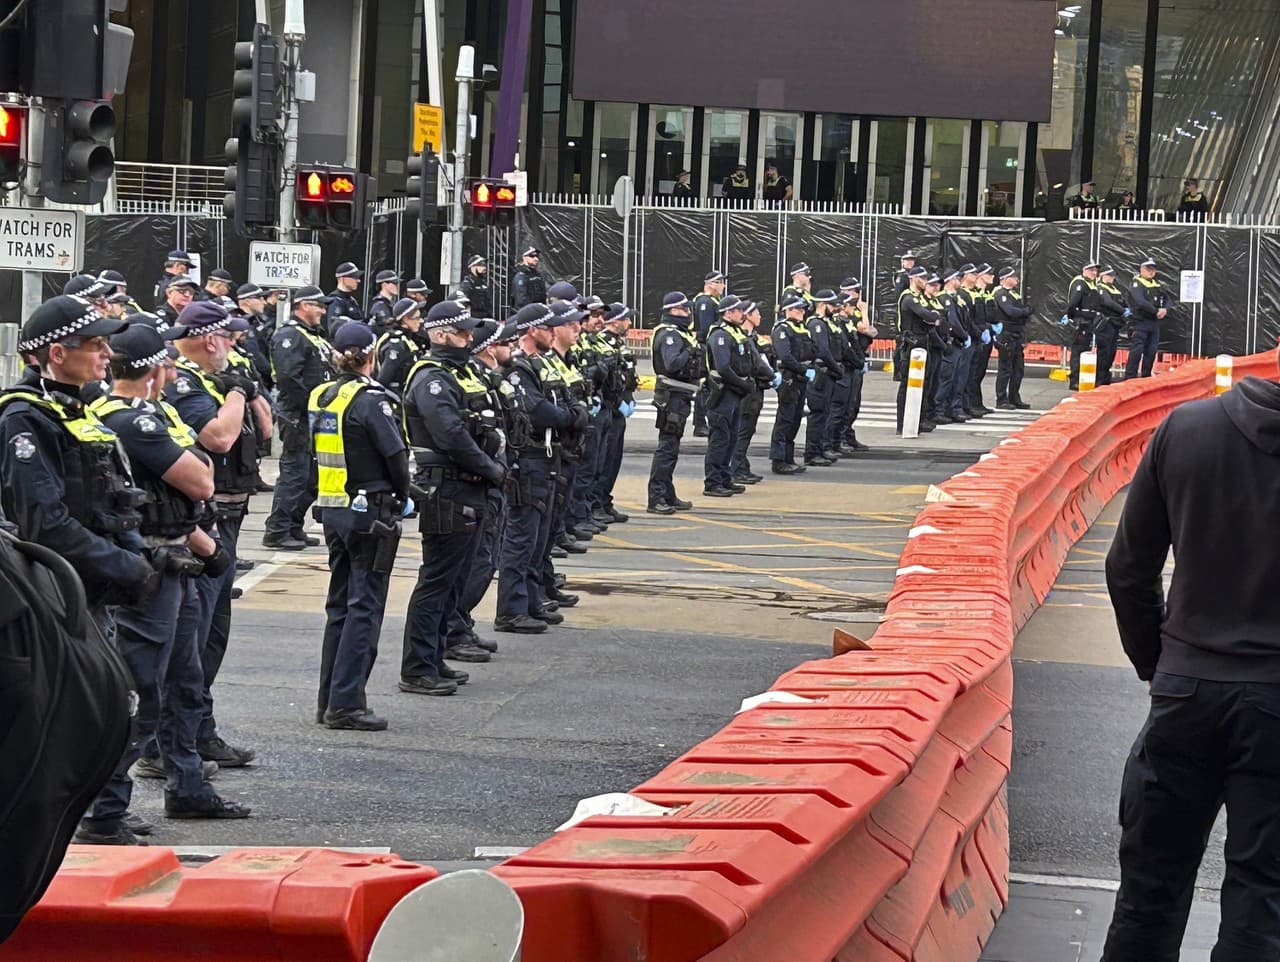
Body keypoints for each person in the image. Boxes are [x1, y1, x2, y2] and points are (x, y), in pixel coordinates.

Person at [1099, 354, 1280, 960]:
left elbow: (1128, 568)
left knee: (1149, 895)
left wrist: (1160, 661)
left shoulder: (1187, 428)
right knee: (1262, 904)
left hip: (1187, 689)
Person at [0, 297, 165, 846]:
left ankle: (95, 817)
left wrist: (139, 553)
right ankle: (59, 834)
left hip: (91, 593)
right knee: (75, 719)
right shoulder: (24, 419)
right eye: (95, 345)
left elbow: (109, 499)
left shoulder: (74, 410)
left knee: (110, 709)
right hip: (53, 598)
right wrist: (127, 564)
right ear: (55, 353)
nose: (106, 354)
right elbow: (44, 524)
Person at [86, 324, 249, 831]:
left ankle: (188, 786)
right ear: (155, 369)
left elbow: (189, 488)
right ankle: (103, 810)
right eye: (169, 364)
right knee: (140, 693)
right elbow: (202, 477)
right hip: (149, 570)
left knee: (186, 682)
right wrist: (198, 479)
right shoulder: (126, 419)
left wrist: (207, 546)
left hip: (179, 555)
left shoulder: (160, 413)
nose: (174, 371)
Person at [166, 301, 268, 771]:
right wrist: (236, 395)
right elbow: (219, 439)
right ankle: (172, 742)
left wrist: (245, 392)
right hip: (204, 523)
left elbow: (264, 432)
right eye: (228, 337)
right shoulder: (186, 381)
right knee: (193, 641)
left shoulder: (218, 380)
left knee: (213, 637)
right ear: (211, 339)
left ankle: (198, 731)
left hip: (230, 517)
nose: (233, 345)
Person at [399, 300, 508, 695]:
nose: (469, 338)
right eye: (461, 332)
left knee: (455, 578)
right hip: (447, 487)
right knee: (437, 579)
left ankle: (433, 657)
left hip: (469, 485)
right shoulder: (431, 378)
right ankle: (416, 667)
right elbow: (450, 435)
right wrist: (491, 468)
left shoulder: (459, 374)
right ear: (441, 335)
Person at [310, 323, 409, 730]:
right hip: (370, 513)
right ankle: (347, 703)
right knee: (364, 607)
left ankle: (328, 698)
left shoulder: (322, 395)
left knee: (339, 606)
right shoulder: (371, 400)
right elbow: (396, 456)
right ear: (372, 356)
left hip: (334, 509)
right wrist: (403, 496)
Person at [495, 303, 582, 631]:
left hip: (546, 458)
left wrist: (572, 413)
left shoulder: (539, 365)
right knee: (521, 539)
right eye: (547, 328)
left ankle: (530, 601)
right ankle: (511, 610)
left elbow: (565, 398)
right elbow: (539, 410)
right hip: (528, 458)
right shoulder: (519, 368)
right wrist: (571, 418)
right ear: (533, 330)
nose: (552, 333)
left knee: (538, 539)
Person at [445, 319, 523, 657]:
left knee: (486, 557)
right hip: (476, 480)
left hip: (496, 475)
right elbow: (458, 434)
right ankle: (452, 630)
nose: (514, 349)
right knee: (475, 562)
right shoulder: (460, 378)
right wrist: (490, 468)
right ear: (491, 347)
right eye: (508, 343)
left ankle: (461, 623)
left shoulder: (485, 377)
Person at [264, 286, 334, 549]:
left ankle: (293, 526)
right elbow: (289, 379)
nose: (323, 311)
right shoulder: (290, 335)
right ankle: (278, 529)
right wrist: (310, 407)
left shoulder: (312, 335)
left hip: (315, 416)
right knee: (296, 473)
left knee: (312, 476)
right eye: (319, 305)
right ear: (303, 305)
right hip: (299, 416)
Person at [647, 291, 703, 513]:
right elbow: (672, 364)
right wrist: (690, 350)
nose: (688, 313)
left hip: (680, 396)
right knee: (667, 447)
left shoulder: (679, 333)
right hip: (672, 397)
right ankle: (657, 496)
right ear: (672, 310)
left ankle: (667, 493)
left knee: (672, 447)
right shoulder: (670, 334)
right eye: (684, 309)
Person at [702, 295, 755, 496]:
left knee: (731, 437)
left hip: (733, 392)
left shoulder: (734, 333)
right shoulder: (720, 335)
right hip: (723, 392)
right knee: (720, 439)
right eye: (739, 310)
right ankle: (713, 482)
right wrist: (743, 384)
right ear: (728, 313)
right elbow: (723, 367)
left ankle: (725, 477)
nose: (742, 314)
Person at [590, 302, 637, 524]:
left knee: (613, 460)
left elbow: (625, 376)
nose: (629, 323)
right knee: (603, 461)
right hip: (610, 406)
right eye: (626, 319)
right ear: (615, 321)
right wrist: (615, 401)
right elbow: (605, 380)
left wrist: (628, 398)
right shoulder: (602, 343)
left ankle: (604, 501)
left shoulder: (618, 344)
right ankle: (596, 504)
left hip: (619, 407)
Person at [730, 301, 777, 485]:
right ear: (747, 316)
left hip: (757, 389)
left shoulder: (755, 338)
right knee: (742, 430)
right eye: (756, 312)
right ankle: (736, 468)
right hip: (746, 389)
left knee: (748, 429)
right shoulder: (741, 338)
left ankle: (741, 466)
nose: (760, 316)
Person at [770, 293, 817, 472]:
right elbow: (785, 356)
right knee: (785, 419)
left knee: (795, 419)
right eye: (798, 308)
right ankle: (778, 459)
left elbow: (810, 350)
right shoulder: (782, 329)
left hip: (800, 377)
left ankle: (788, 458)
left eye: (802, 308)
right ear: (788, 310)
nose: (802, 311)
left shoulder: (802, 328)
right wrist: (804, 369)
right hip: (789, 378)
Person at [894, 266, 941, 433]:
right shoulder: (908, 297)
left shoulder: (919, 297)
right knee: (908, 384)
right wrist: (932, 317)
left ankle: (918, 420)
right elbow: (927, 315)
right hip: (911, 343)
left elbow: (934, 316)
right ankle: (902, 423)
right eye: (923, 278)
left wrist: (933, 317)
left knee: (923, 383)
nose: (926, 281)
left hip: (923, 341)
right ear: (914, 278)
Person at [802, 289, 844, 465]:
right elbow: (823, 350)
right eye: (832, 305)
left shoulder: (826, 322)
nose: (835, 308)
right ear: (822, 305)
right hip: (822, 372)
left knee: (825, 412)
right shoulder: (816, 324)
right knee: (818, 414)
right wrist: (837, 368)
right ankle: (812, 453)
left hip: (829, 372)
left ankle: (819, 448)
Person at [837, 279, 876, 451]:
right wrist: (864, 311)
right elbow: (866, 328)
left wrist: (866, 325)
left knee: (854, 403)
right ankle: (841, 437)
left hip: (859, 358)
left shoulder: (854, 313)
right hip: (849, 362)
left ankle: (847, 434)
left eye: (850, 291)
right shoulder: (848, 314)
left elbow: (872, 331)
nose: (847, 294)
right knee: (844, 403)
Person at [690, 270, 725, 437]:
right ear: (710, 284)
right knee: (706, 385)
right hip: (705, 347)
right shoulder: (705, 302)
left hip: (709, 346)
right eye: (719, 282)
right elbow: (705, 329)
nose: (723, 286)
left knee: (710, 385)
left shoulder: (712, 301)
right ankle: (699, 423)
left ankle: (705, 421)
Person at [993, 267, 1031, 410]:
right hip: (1006, 335)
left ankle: (1014, 397)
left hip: (1016, 334)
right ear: (1004, 278)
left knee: (1018, 368)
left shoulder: (1014, 294)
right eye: (1013, 276)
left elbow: (1022, 311)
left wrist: (1023, 312)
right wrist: (1023, 312)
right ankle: (1001, 398)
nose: (1016, 279)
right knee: (1005, 368)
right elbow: (1010, 311)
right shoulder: (1000, 293)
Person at [1125, 257, 1170, 379]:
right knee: (1136, 351)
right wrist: (1156, 311)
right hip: (1140, 322)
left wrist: (1165, 309)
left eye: (1153, 269)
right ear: (1142, 269)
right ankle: (1130, 378)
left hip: (1153, 323)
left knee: (1151, 351)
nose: (1151, 271)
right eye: (1148, 268)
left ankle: (1146, 377)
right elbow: (1140, 301)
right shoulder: (1136, 283)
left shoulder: (1157, 284)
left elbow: (1167, 299)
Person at [374, 298, 427, 400]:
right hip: (397, 398)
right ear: (405, 320)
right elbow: (384, 380)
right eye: (416, 318)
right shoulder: (396, 344)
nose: (420, 321)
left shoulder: (407, 339)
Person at [1065, 262, 1101, 390]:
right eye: (1091, 270)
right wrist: (1070, 316)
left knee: (1084, 350)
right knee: (1078, 352)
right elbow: (1073, 303)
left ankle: (1082, 378)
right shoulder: (1080, 283)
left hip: (1088, 322)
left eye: (1095, 271)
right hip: (1081, 322)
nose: (1094, 273)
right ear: (1084, 270)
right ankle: (1074, 379)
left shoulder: (1091, 284)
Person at [965, 264, 997, 415]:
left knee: (979, 372)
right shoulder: (971, 294)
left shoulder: (985, 294)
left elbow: (991, 314)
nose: (992, 276)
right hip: (976, 336)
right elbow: (973, 319)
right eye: (989, 273)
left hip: (984, 335)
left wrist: (991, 327)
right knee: (972, 373)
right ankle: (970, 404)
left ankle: (977, 403)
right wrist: (982, 331)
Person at [1095, 266, 1129, 386]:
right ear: (1103, 276)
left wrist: (1127, 309)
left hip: (1115, 324)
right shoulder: (1100, 288)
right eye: (1109, 275)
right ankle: (1099, 378)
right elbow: (1107, 302)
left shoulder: (1115, 289)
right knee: (1104, 352)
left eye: (1113, 275)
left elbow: (1122, 301)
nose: (1112, 278)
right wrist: (1122, 310)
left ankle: (1105, 377)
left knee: (1111, 352)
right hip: (1105, 324)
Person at [326, 263, 364, 338]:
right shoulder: (335, 300)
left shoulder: (351, 300)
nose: (358, 280)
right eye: (354, 277)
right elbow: (334, 329)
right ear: (342, 279)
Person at [365, 270, 401, 336]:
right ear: (384, 285)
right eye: (394, 283)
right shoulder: (379, 304)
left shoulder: (390, 303)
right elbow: (384, 326)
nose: (397, 286)